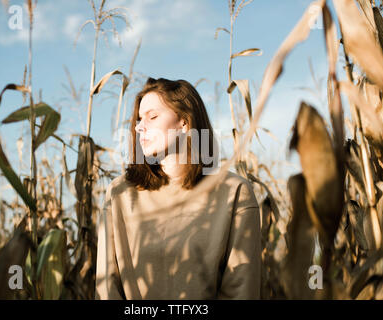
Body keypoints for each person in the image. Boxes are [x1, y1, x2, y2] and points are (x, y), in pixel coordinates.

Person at [95, 77, 261, 299]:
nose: (140, 127)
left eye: (152, 117)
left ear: (184, 122)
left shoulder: (234, 192)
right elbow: (107, 288)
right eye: (138, 119)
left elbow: (241, 289)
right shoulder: (120, 194)